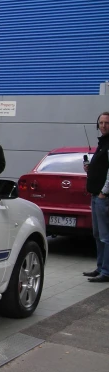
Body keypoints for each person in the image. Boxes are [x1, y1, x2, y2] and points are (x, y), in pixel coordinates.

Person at [83, 111, 109, 282]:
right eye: (101, 123)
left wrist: (103, 192)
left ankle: (106, 272)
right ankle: (100, 267)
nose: (103, 126)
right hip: (95, 195)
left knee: (106, 236)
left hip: (103, 197)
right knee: (97, 234)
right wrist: (89, 169)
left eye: (107, 123)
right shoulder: (102, 143)